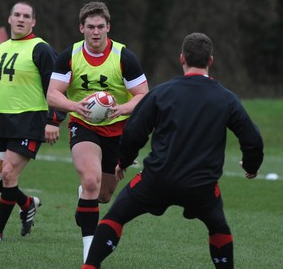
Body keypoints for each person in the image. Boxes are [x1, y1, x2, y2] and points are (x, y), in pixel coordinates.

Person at [82, 32, 264, 269]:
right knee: (218, 226)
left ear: (181, 59)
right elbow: (253, 139)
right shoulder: (225, 98)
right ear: (210, 61)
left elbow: (135, 130)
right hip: (202, 186)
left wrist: (123, 161)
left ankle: (89, 266)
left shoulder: (162, 92)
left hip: (157, 180)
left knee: (115, 217)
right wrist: (251, 166)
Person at [46, 1, 149, 262]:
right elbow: (53, 95)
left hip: (118, 132)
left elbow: (144, 97)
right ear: (81, 28)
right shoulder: (70, 55)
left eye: (100, 27)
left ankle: (86, 198)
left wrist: (122, 108)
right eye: (90, 27)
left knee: (103, 195)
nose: (95, 32)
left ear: (108, 27)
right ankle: (89, 259)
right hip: (84, 127)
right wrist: (75, 107)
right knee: (91, 181)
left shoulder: (124, 57)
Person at [0, 1, 65, 243]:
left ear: (33, 22)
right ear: (9, 19)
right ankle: (27, 202)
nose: (21, 19)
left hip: (30, 122)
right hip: (1, 121)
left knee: (9, 174)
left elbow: (57, 88)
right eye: (17, 15)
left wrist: (53, 120)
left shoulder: (41, 49)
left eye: (26, 16)